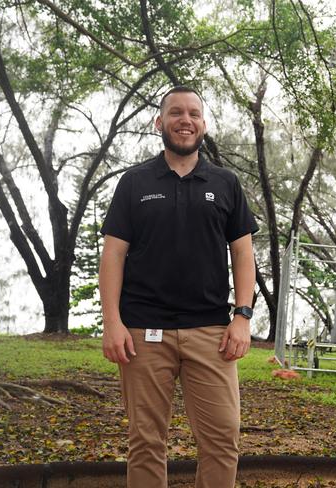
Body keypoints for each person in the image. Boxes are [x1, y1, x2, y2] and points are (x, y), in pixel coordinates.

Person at [99, 85, 258, 488]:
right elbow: (113, 255)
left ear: (203, 125)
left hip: (211, 331)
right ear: (159, 123)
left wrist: (242, 316)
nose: (185, 120)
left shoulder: (225, 183)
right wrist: (112, 323)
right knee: (146, 442)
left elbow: (243, 254)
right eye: (175, 113)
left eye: (193, 114)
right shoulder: (134, 183)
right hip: (142, 332)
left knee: (223, 439)